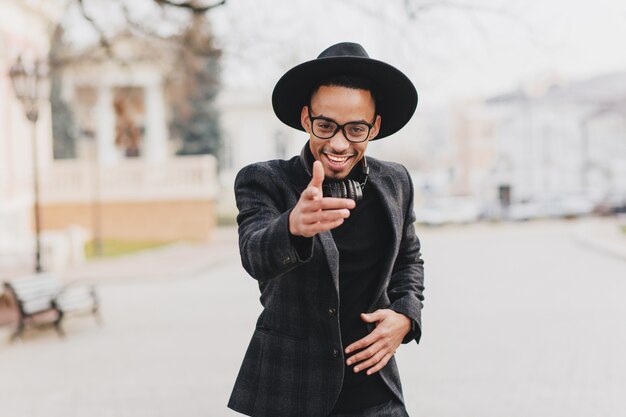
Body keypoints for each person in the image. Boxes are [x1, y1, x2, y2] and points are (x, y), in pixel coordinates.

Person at [228, 42, 425, 417]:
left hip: (375, 394)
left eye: (355, 129)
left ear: (375, 127)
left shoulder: (396, 181)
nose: (338, 143)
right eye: (325, 126)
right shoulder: (263, 180)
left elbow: (409, 259)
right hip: (289, 393)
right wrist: (292, 227)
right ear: (306, 119)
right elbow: (254, 254)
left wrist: (406, 316)